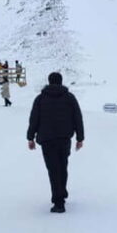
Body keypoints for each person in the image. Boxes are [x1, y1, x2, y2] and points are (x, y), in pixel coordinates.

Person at [26, 72, 85, 213]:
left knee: (53, 169)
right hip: (64, 138)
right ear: (61, 81)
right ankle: (61, 194)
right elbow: (77, 117)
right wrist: (80, 138)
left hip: (47, 139)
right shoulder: (69, 98)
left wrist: (30, 138)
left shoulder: (40, 99)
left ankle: (58, 202)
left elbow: (34, 119)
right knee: (62, 166)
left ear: (49, 81)